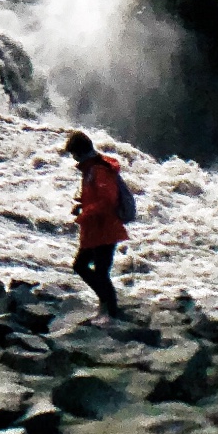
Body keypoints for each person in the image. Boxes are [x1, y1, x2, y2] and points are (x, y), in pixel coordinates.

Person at [62, 128, 126, 319]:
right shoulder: (92, 168)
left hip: (104, 230)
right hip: (98, 229)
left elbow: (107, 201)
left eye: (74, 154)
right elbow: (98, 198)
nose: (74, 158)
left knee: (90, 269)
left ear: (80, 152)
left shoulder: (97, 170)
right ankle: (107, 307)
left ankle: (112, 311)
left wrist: (85, 214)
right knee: (96, 271)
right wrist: (83, 206)